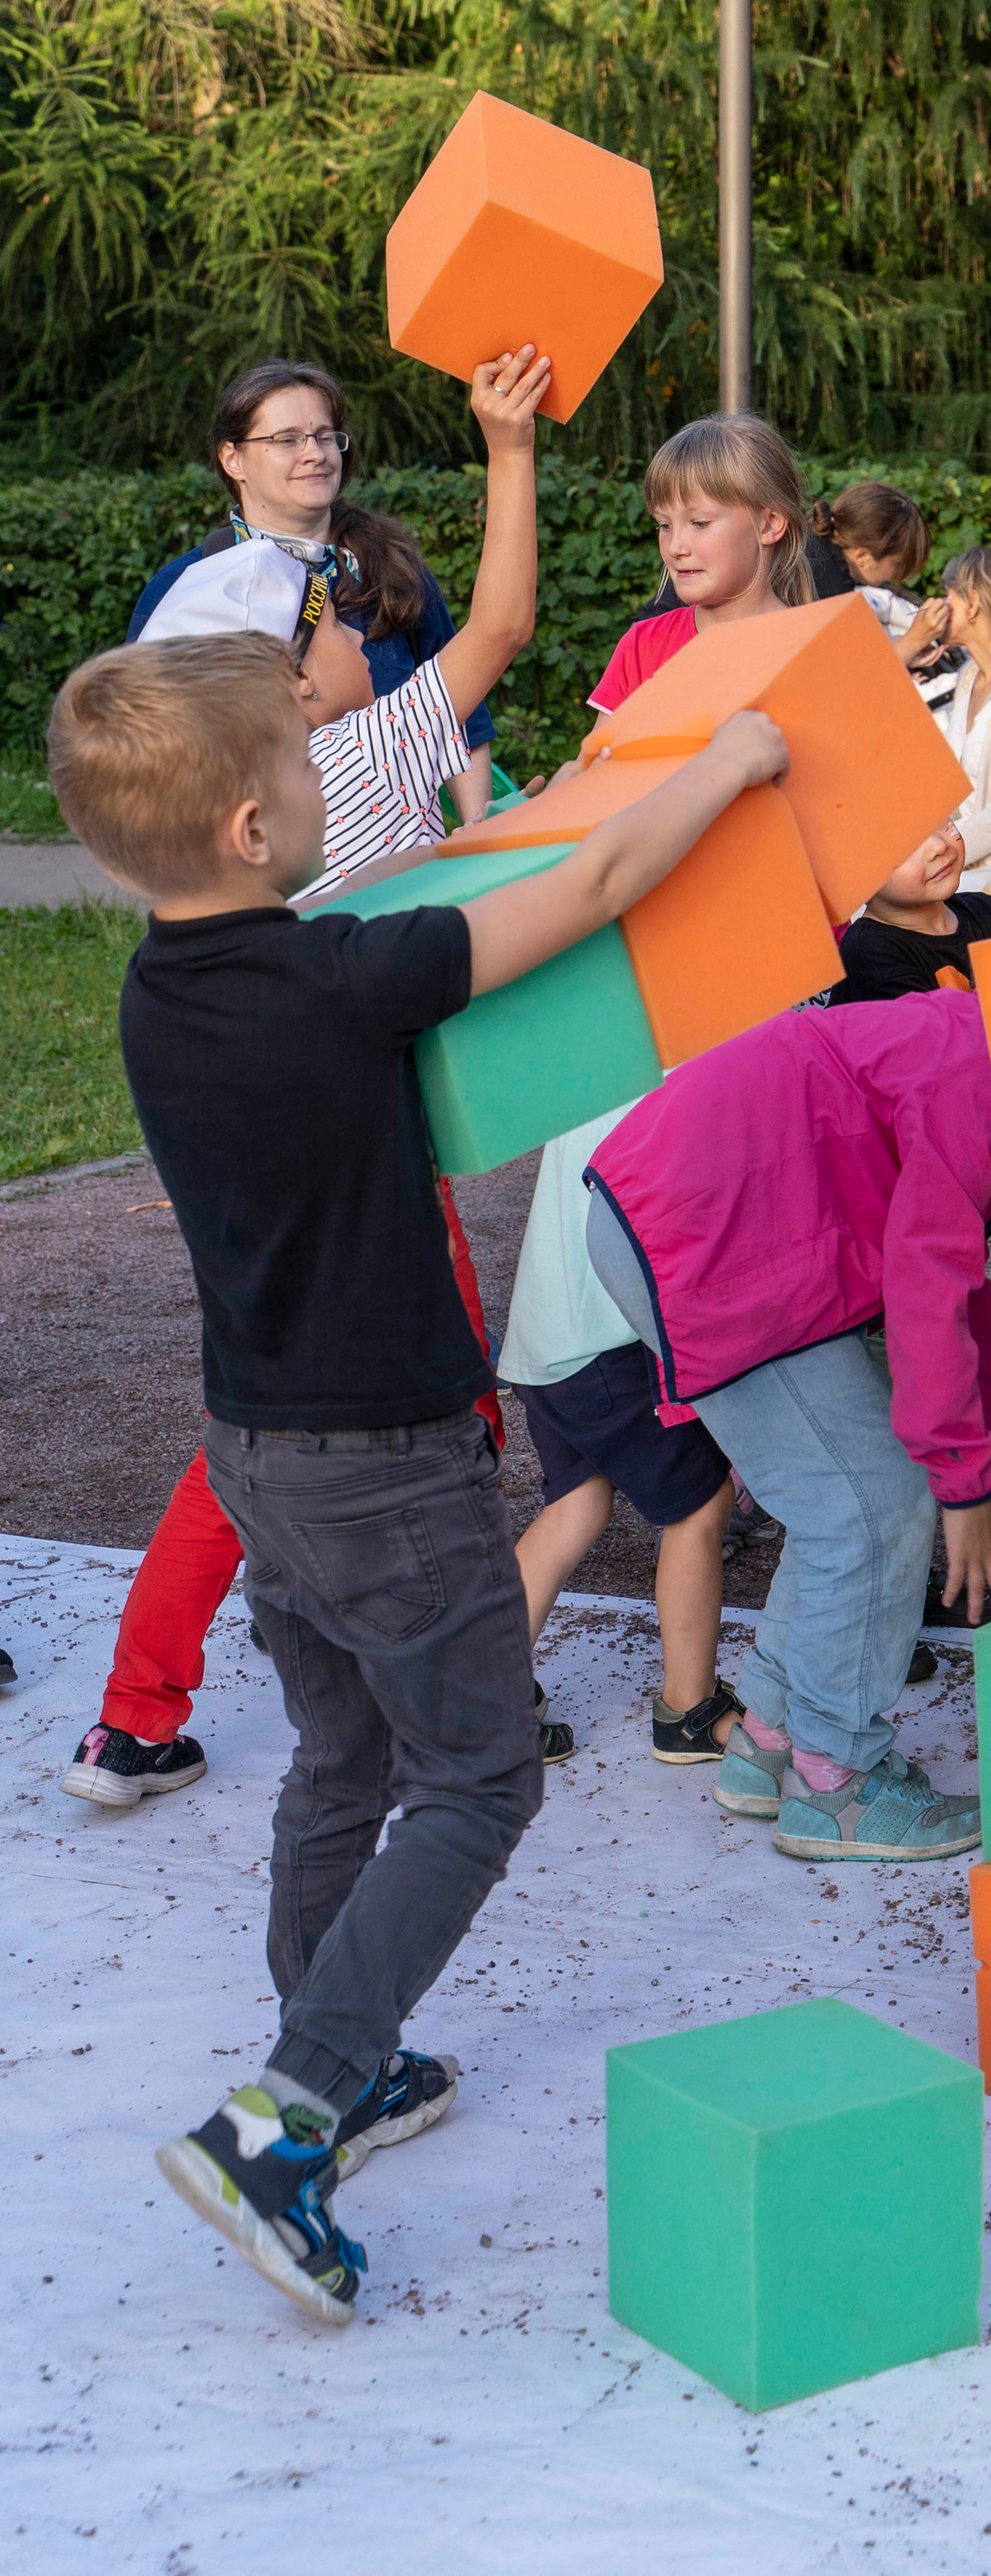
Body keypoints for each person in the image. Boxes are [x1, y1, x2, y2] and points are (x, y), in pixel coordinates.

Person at [47, 616, 787, 2328]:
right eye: (304, 760)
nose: (328, 776)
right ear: (252, 826)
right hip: (385, 1463)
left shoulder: (161, 990)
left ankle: (337, 2051)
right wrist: (736, 762)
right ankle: (287, 2118)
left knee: (343, 1750)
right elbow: (599, 883)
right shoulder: (343, 986)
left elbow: (385, 897)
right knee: (477, 1778)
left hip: (257, 1454)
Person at [63, 354, 556, 1813]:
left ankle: (135, 1713)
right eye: (339, 626)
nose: (360, 638)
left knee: (264, 1414)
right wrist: (508, 445)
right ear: (290, 676)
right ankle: (459, 1680)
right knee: (414, 1403)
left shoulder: (235, 813)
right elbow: (505, 627)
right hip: (359, 1119)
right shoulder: (363, 745)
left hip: (241, 1107)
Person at [578, 983, 991, 1862]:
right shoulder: (983, 1082)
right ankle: (838, 1782)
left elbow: (956, 1268)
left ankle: (771, 1741)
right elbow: (927, 1284)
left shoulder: (983, 1045)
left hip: (687, 1209)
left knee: (845, 1502)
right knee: (872, 1505)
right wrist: (964, 1487)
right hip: (703, 1226)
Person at [129, 360, 495, 823]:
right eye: (287, 439)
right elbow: (150, 749)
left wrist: (477, 834)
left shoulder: (394, 569)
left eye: (325, 436)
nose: (315, 454)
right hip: (260, 851)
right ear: (232, 458)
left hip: (408, 847)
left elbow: (460, 715)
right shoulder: (185, 588)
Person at [499, 1103, 747, 1767]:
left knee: (576, 1504)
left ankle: (479, 1703)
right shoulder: (674, 1078)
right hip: (607, 1339)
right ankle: (689, 1711)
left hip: (546, 1335)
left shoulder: (597, 1068)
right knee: (701, 1505)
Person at [587, 413, 815, 719]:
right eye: (664, 525)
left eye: (700, 523)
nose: (675, 547)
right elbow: (601, 749)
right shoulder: (642, 646)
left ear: (769, 524)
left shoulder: (815, 653)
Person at [825, 817, 991, 1005]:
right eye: (905, 846)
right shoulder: (870, 959)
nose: (938, 846)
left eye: (938, 819)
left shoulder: (989, 911)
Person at [935, 545, 991, 893]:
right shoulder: (969, 677)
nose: (939, 605)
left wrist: (928, 853)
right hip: (952, 860)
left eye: (948, 596)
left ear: (973, 602)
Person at [803, 479, 949, 670]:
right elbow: (854, 674)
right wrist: (916, 638)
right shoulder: (832, 588)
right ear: (863, 556)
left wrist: (904, 652)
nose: (895, 575)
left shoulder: (811, 548)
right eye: (897, 565)